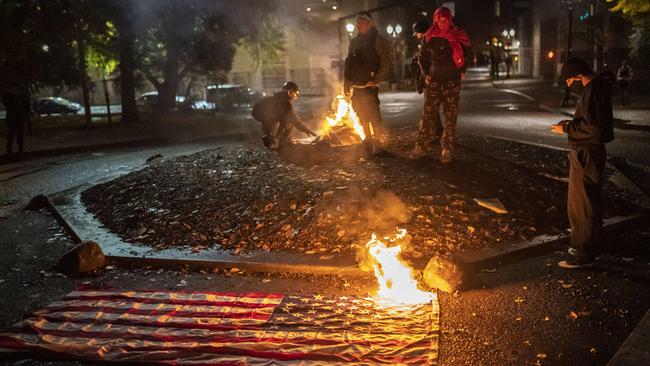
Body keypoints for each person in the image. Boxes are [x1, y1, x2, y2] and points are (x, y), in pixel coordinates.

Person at [551, 57, 614, 269]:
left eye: (569, 80)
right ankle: (592, 247)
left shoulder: (592, 91)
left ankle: (581, 253)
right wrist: (570, 125)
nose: (569, 85)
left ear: (578, 76)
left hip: (586, 152)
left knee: (581, 205)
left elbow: (593, 128)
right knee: (589, 201)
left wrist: (567, 129)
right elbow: (592, 122)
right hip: (590, 152)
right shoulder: (596, 89)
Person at [410, 6, 470, 163]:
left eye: (445, 19)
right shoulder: (429, 37)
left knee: (450, 118)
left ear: (450, 19)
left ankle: (447, 149)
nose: (443, 21)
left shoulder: (458, 35)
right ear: (435, 19)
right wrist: (426, 75)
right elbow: (422, 58)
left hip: (452, 82)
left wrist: (463, 69)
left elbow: (467, 53)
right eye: (440, 19)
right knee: (428, 116)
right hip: (434, 83)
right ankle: (421, 146)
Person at [344, 11, 391, 154]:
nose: (359, 25)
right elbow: (349, 64)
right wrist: (346, 84)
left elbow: (386, 61)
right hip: (356, 86)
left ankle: (376, 141)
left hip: (369, 86)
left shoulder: (378, 40)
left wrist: (376, 79)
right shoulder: (354, 42)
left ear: (369, 23)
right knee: (361, 114)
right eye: (357, 22)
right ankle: (368, 139)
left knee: (373, 114)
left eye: (362, 22)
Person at [251, 81, 317, 149]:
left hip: (265, 126)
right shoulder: (286, 104)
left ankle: (272, 139)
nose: (296, 97)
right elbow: (295, 121)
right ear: (291, 92)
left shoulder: (274, 99)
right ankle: (279, 142)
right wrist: (307, 130)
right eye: (296, 93)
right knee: (290, 123)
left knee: (287, 120)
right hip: (273, 127)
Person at [1, 85, 30, 156]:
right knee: (11, 134)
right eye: (13, 89)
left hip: (19, 117)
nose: (15, 90)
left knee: (20, 134)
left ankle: (20, 148)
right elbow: (6, 102)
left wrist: (26, 112)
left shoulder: (20, 96)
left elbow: (26, 104)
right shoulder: (8, 96)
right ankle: (9, 149)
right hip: (12, 117)